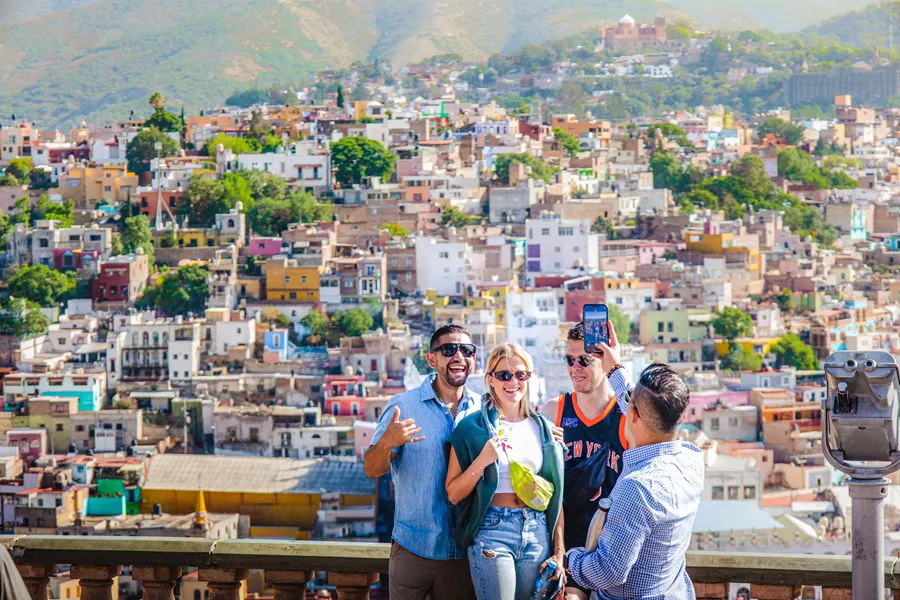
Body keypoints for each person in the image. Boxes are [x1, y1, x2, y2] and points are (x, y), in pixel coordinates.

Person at [563, 363, 705, 600]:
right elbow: (647, 407)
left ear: (632, 415)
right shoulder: (691, 459)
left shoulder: (638, 487)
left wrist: (570, 559)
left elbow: (608, 572)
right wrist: (614, 368)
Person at [364, 324, 481, 600]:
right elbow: (371, 468)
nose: (459, 356)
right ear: (432, 359)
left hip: (463, 554)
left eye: (467, 350)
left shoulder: (483, 409)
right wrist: (386, 443)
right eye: (449, 349)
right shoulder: (403, 406)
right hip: (413, 549)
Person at [445, 343, 566, 600]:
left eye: (521, 374)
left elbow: (555, 496)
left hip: (536, 530)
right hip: (492, 530)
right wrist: (483, 460)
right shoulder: (471, 428)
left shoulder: (543, 428)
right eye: (504, 375)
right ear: (490, 379)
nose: (514, 381)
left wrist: (559, 551)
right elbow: (453, 494)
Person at [543, 321, 632, 600]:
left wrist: (617, 366)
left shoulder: (626, 417)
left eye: (584, 359)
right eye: (570, 360)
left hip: (613, 551)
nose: (575, 367)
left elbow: (659, 430)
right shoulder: (554, 411)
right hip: (568, 548)